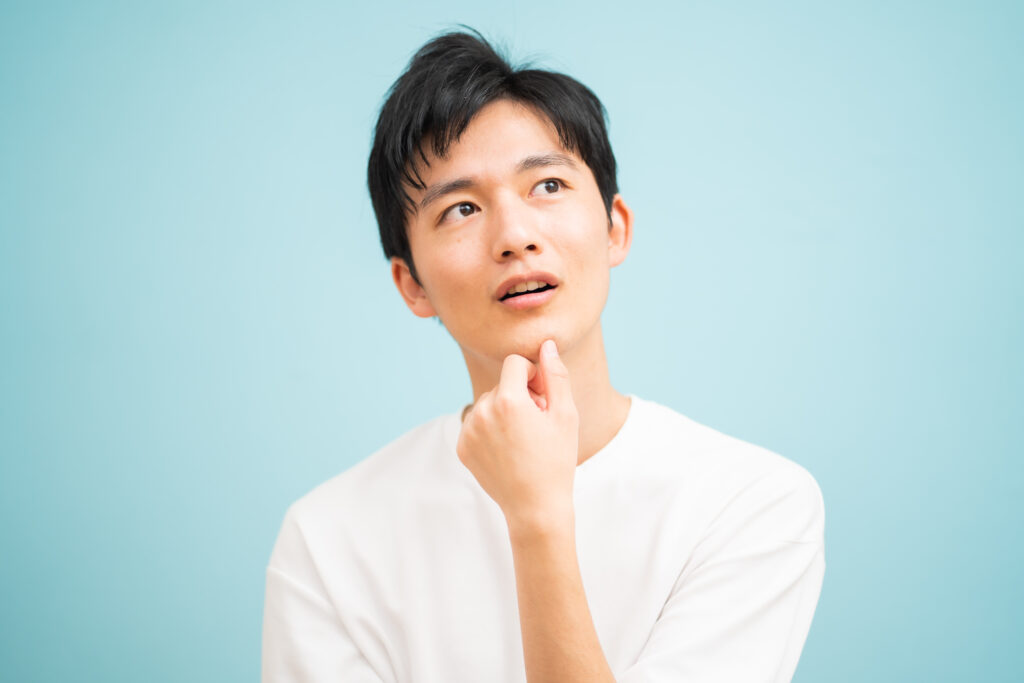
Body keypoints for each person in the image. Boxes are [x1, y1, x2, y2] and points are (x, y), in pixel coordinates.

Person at [262, 28, 825, 683]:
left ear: (615, 228)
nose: (515, 236)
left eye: (548, 185)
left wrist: (538, 520)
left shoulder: (750, 503)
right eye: (461, 208)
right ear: (411, 284)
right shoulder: (329, 541)